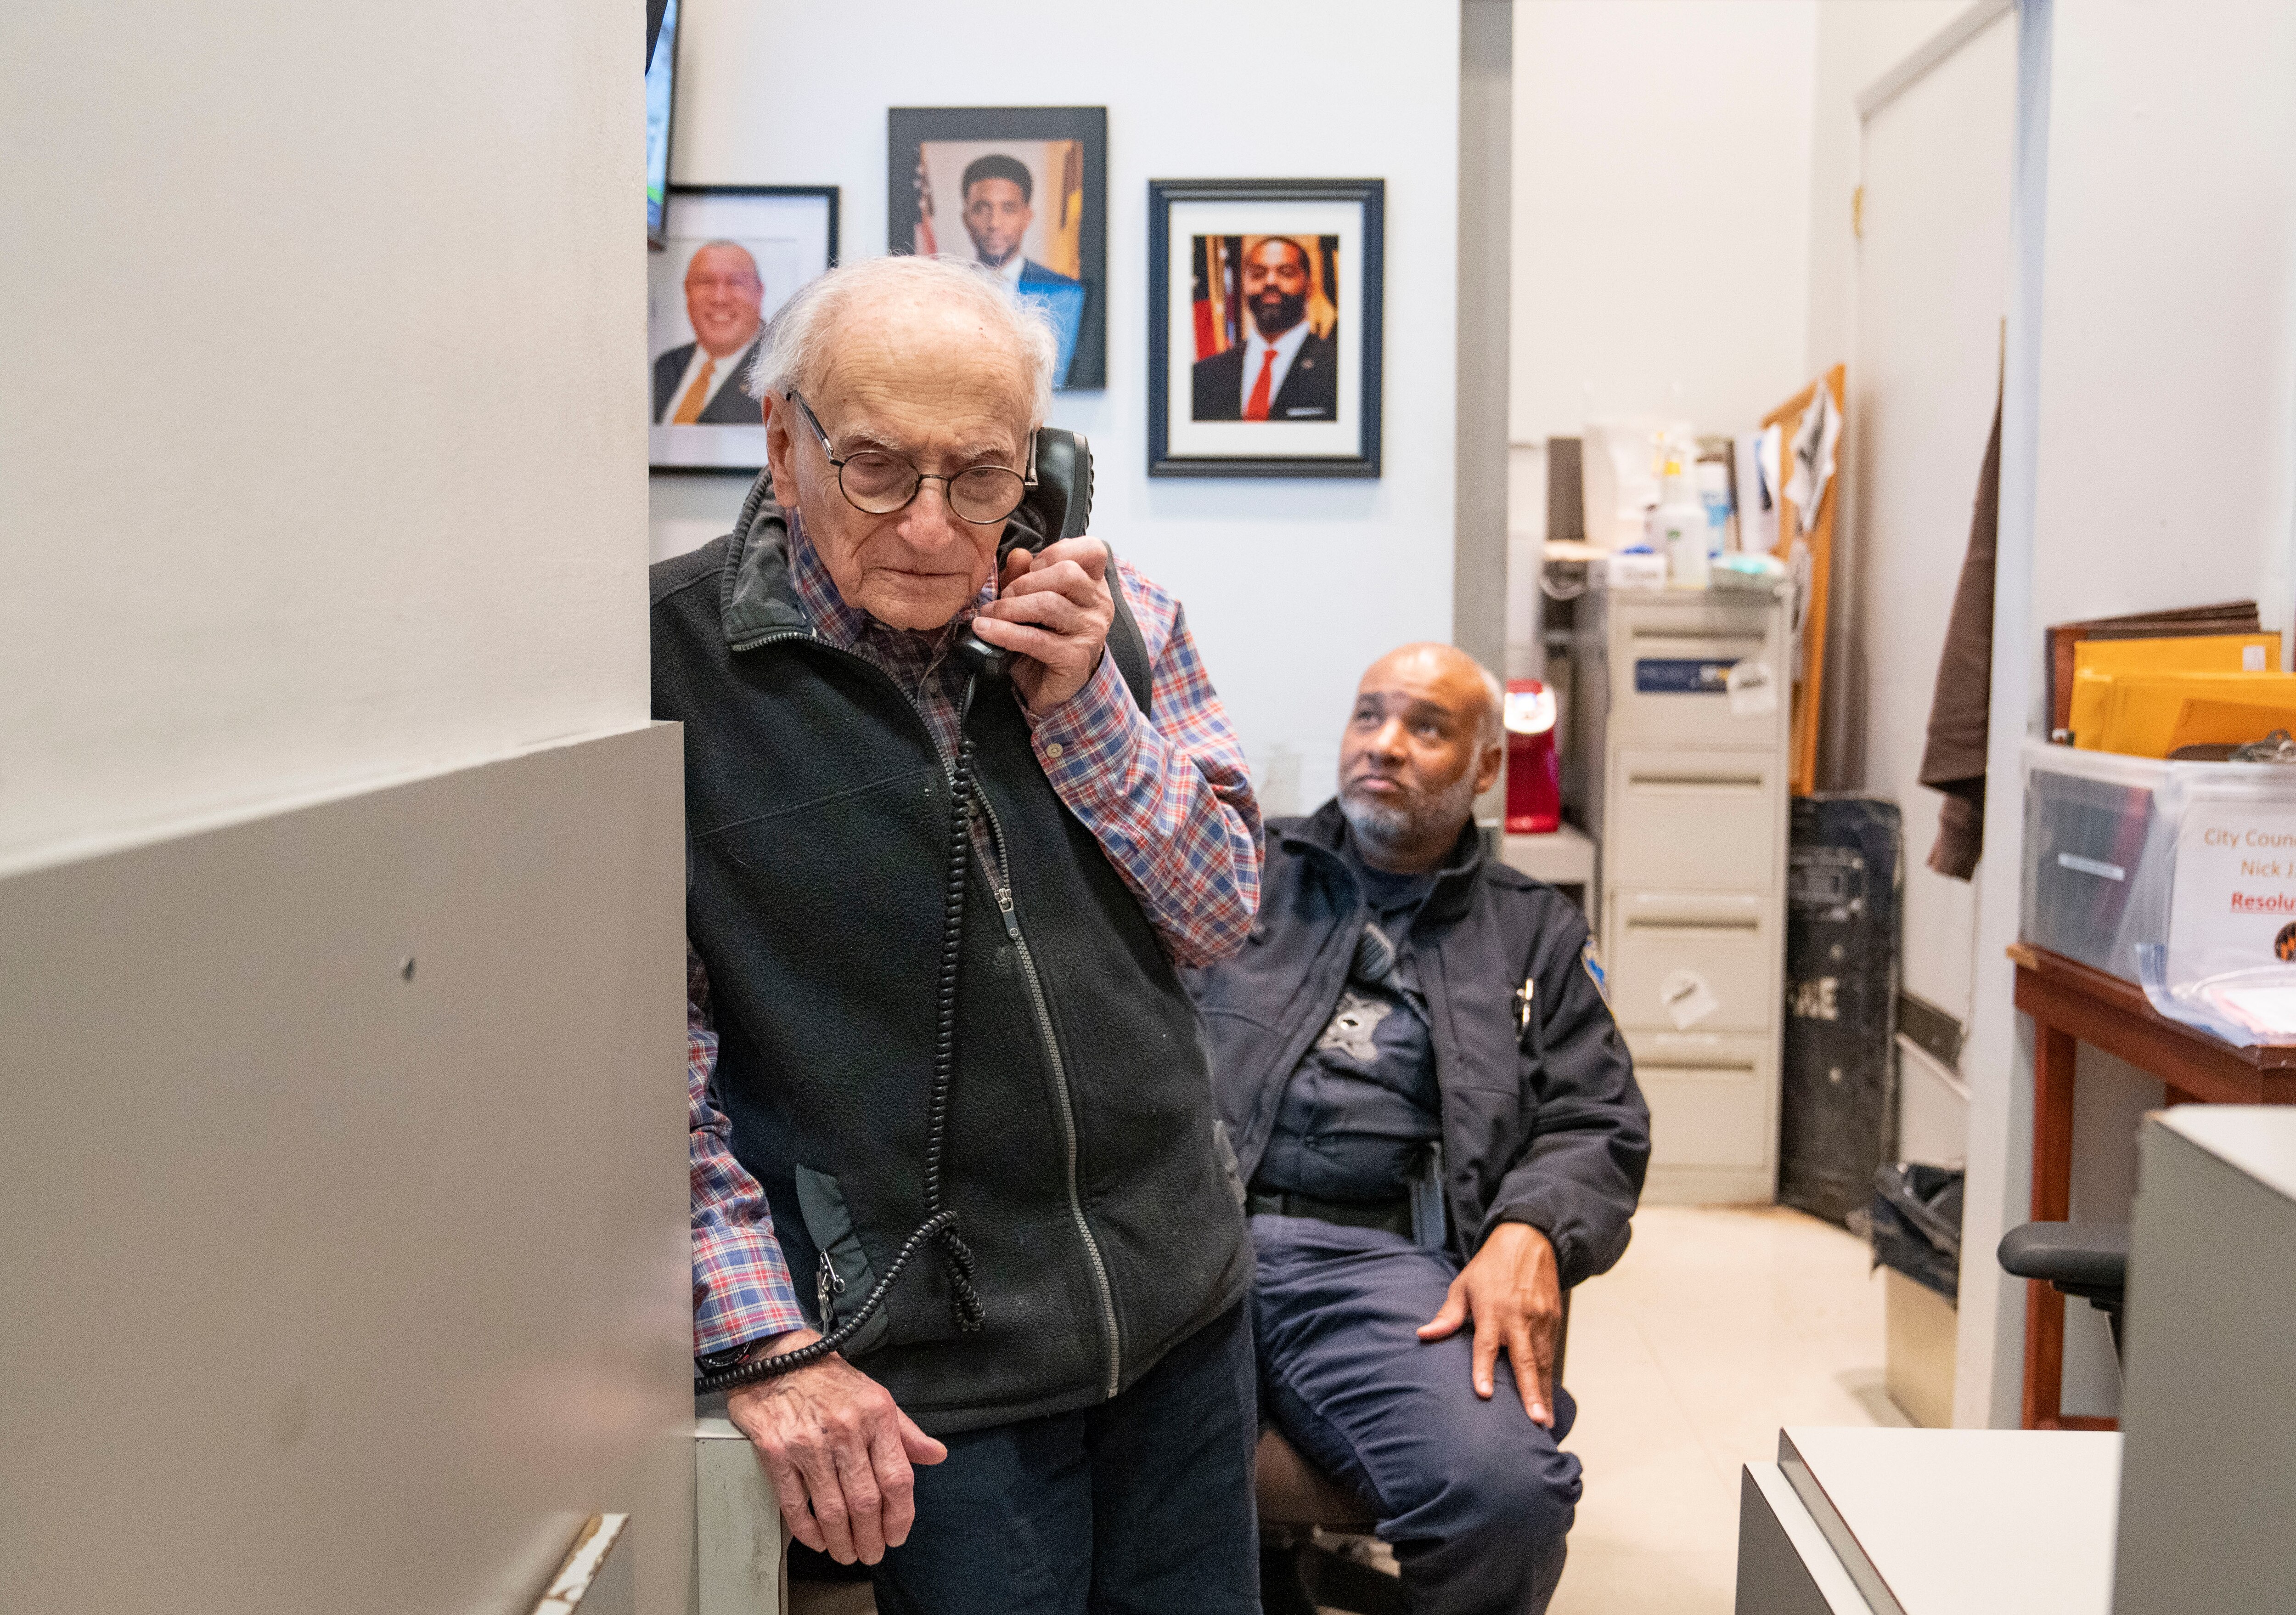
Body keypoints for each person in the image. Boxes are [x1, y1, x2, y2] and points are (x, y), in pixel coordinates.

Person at [652, 254, 1264, 1614]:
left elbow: (1223, 914)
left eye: (981, 475)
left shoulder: (1123, 621)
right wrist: (766, 1345)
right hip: (926, 1356)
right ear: (784, 443)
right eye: (876, 468)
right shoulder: (665, 668)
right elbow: (643, 1070)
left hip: (1180, 1304)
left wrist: (1085, 709)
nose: (932, 527)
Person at [1188, 644, 1650, 1615]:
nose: (1385, 744)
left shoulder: (1534, 934)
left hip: (1382, 1269)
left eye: (1426, 727)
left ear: (1486, 769)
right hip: (1181, 1246)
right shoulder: (1237, 870)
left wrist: (1531, 1226)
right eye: (1370, 715)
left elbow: (1597, 1118)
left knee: (1506, 1501)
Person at [956, 153, 1085, 387]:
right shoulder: (946, 291)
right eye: (982, 209)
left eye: (1008, 209)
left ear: (1027, 217)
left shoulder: (1066, 293)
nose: (994, 223)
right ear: (966, 218)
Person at [1190, 237, 1338, 422]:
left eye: (1286, 273)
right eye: (1258, 274)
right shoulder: (1203, 375)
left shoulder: (1340, 369)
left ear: (1310, 288)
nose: (1270, 281)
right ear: (1244, 287)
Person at [652, 240, 769, 424]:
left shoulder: (779, 377)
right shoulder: (663, 367)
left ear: (759, 292)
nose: (719, 298)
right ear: (687, 291)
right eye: (705, 282)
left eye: (735, 283)